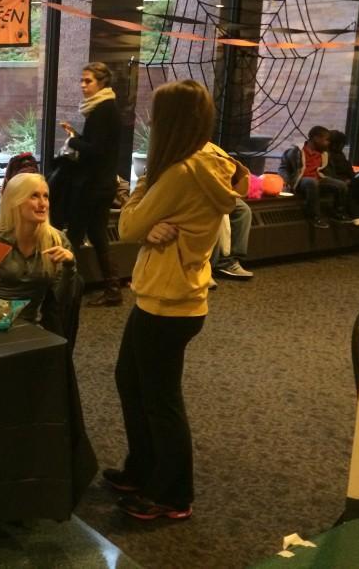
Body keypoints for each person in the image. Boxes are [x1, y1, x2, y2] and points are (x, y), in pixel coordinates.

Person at [107, 80, 245, 521]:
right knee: (130, 381)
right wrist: (151, 225)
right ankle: (144, 468)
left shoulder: (179, 173)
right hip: (170, 297)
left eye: (155, 114)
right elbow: (144, 225)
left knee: (160, 401)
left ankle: (172, 493)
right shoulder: (212, 160)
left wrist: (145, 214)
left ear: (171, 122)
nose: (149, 120)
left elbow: (127, 225)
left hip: (168, 303)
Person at [0, 173, 81, 340]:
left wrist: (70, 266)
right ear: (15, 201)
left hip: (31, 325)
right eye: (34, 196)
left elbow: (61, 302)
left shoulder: (57, 240)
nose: (42, 204)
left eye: (45, 196)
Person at [48, 62, 123, 307]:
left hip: (93, 185)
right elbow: (99, 145)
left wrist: (73, 141)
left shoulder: (103, 109)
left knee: (76, 235)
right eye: (82, 80)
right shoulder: (104, 107)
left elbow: (96, 150)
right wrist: (77, 137)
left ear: (102, 83)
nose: (82, 85)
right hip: (102, 184)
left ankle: (65, 286)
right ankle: (112, 289)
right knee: (97, 235)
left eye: (88, 81)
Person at [278, 125, 352, 228]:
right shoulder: (296, 151)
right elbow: (283, 168)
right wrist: (286, 181)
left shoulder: (324, 154)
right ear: (316, 138)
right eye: (326, 140)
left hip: (319, 178)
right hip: (301, 180)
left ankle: (338, 213)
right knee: (311, 182)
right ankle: (314, 217)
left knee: (341, 185)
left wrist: (341, 179)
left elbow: (329, 172)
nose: (328, 143)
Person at [204, 142, 254, 280]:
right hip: (198, 192)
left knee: (243, 210)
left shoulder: (211, 147)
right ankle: (204, 267)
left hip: (219, 190)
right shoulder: (181, 145)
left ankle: (228, 261)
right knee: (215, 212)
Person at [322, 130, 359, 226]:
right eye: (341, 144)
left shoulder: (340, 155)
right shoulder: (326, 155)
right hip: (338, 181)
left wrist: (354, 177)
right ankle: (356, 216)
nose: (342, 146)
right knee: (350, 189)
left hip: (348, 179)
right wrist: (346, 180)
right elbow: (328, 173)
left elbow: (348, 169)